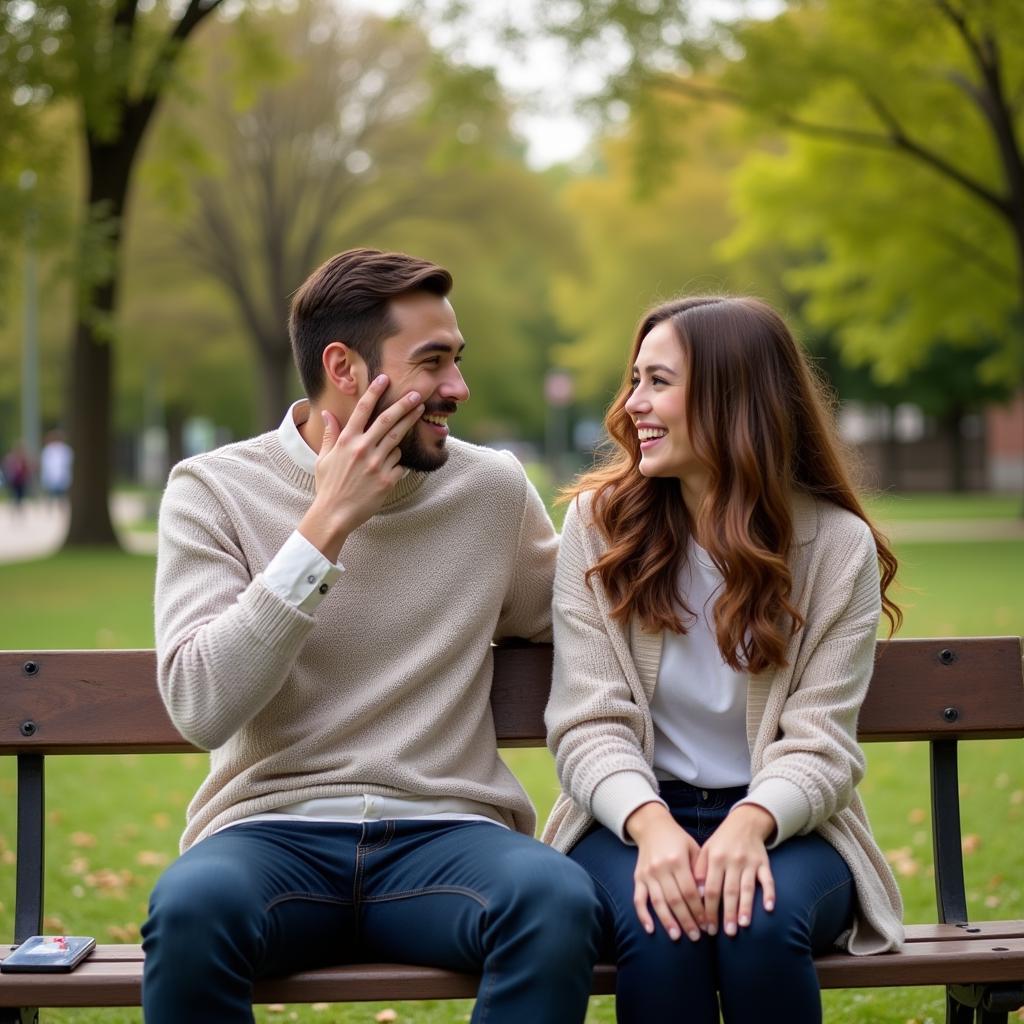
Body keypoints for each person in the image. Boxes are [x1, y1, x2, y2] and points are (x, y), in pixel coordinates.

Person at [142, 248, 601, 1024]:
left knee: (554, 899)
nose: (457, 389)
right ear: (344, 368)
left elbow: (583, 615)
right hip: (267, 837)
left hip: (446, 838)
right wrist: (325, 527)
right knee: (189, 909)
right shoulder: (212, 489)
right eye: (433, 363)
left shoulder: (489, 489)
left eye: (457, 360)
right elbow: (200, 706)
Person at [542, 296, 904, 1024]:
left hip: (786, 826)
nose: (632, 404)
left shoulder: (836, 547)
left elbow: (820, 741)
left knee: (757, 922)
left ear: (734, 397)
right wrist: (650, 826)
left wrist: (749, 824)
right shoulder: (599, 529)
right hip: (631, 817)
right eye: (634, 380)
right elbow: (588, 722)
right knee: (661, 923)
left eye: (659, 382)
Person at [39, 430, 73, 503]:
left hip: (62, 477)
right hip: (52, 477)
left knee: (61, 496)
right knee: (51, 496)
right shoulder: (48, 449)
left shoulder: (65, 449)